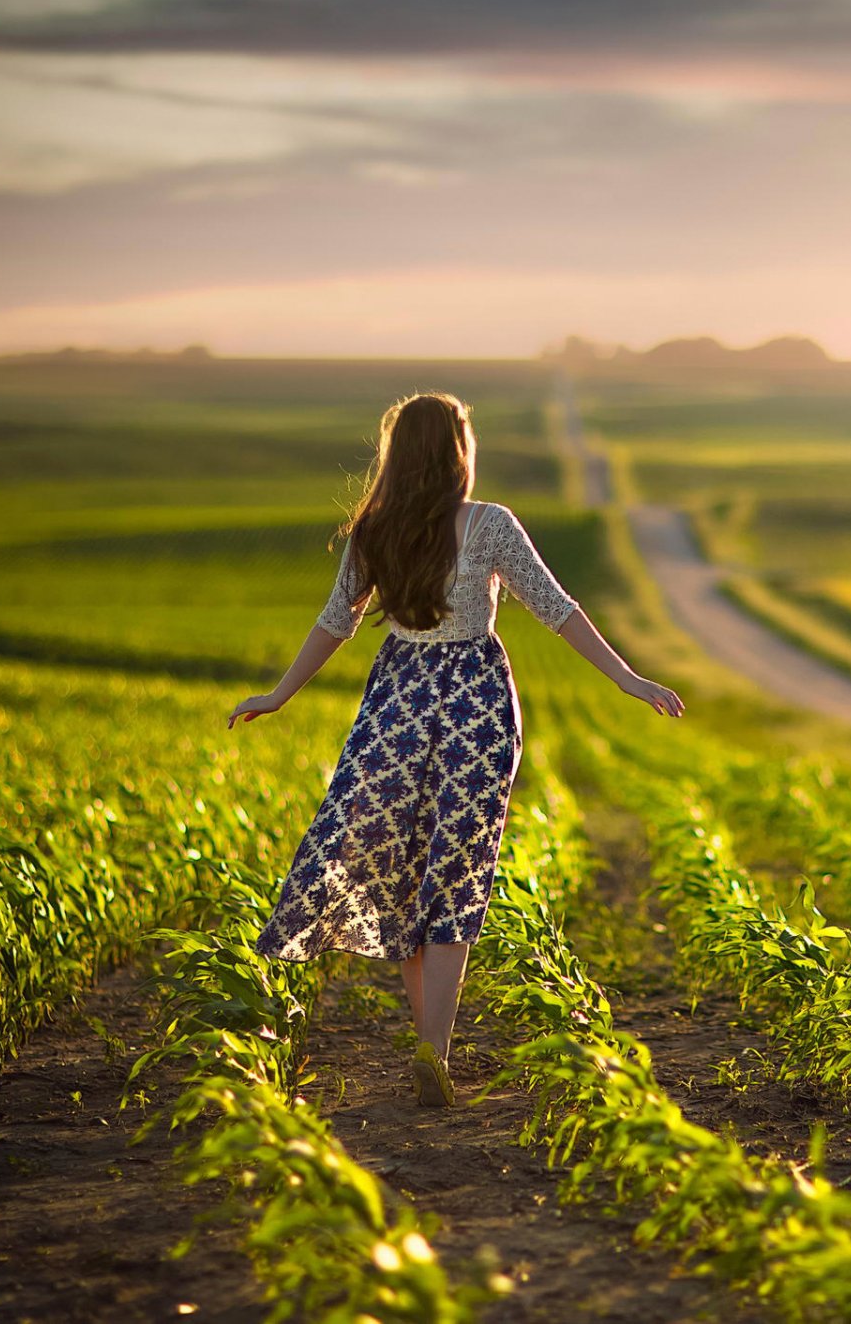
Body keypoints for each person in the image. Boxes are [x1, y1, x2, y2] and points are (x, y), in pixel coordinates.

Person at [226, 390, 684, 1108]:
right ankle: (432, 1056)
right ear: (455, 452)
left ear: (397, 454)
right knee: (456, 871)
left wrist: (279, 693)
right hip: (476, 705)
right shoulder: (489, 525)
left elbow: (333, 624)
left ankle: (427, 1050)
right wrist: (625, 677)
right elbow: (556, 608)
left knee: (405, 872)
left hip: (396, 703)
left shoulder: (373, 530)